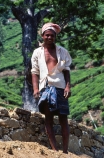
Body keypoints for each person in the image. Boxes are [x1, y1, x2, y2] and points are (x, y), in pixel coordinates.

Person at [31, 23, 72, 154]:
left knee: (63, 118)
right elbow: (34, 72)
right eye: (47, 35)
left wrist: (67, 86)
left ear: (55, 37)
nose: (49, 37)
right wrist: (36, 89)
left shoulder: (62, 52)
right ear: (42, 36)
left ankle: (65, 151)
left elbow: (66, 71)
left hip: (60, 87)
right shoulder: (37, 53)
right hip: (45, 88)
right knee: (48, 117)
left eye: (52, 35)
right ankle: (55, 149)